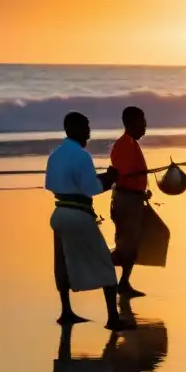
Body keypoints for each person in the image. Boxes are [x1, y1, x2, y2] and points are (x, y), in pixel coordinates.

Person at [45, 111, 133, 330]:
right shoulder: (82, 156)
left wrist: (103, 178)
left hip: (59, 214)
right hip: (78, 214)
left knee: (62, 263)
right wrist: (110, 178)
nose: (89, 132)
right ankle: (113, 318)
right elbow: (91, 188)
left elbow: (52, 184)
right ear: (73, 129)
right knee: (104, 261)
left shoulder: (55, 154)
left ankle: (66, 311)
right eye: (85, 127)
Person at [109, 106, 150, 298]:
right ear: (132, 123)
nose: (145, 126)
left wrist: (142, 191)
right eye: (142, 122)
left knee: (131, 246)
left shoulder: (132, 143)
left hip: (132, 199)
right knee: (125, 248)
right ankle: (98, 266)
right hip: (126, 201)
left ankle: (123, 283)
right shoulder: (124, 145)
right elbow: (124, 175)